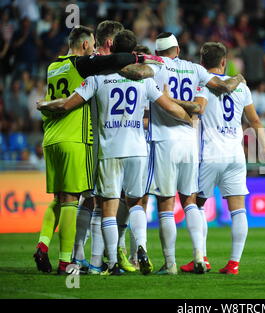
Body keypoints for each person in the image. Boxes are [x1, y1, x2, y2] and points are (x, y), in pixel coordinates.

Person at [37, 29, 191, 276]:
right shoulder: (144, 80)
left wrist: (44, 105)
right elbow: (170, 106)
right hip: (138, 150)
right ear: (132, 52)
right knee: (136, 203)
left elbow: (67, 104)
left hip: (108, 150)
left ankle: (107, 264)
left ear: (110, 48)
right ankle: (141, 250)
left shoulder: (97, 78)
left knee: (106, 207)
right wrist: (189, 119)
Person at [146, 32, 246, 275]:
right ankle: (199, 257)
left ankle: (169, 263)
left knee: (166, 203)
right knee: (190, 200)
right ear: (178, 49)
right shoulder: (195, 69)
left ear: (158, 52)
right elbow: (222, 86)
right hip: (190, 142)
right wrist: (239, 77)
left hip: (164, 140)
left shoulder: (154, 66)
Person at [176, 42, 265, 274]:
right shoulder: (242, 88)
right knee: (238, 209)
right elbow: (255, 121)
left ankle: (202, 257)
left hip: (209, 154)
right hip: (235, 155)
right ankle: (234, 263)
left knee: (196, 205)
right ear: (223, 62)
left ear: (202, 63)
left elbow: (197, 109)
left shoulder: (202, 85)